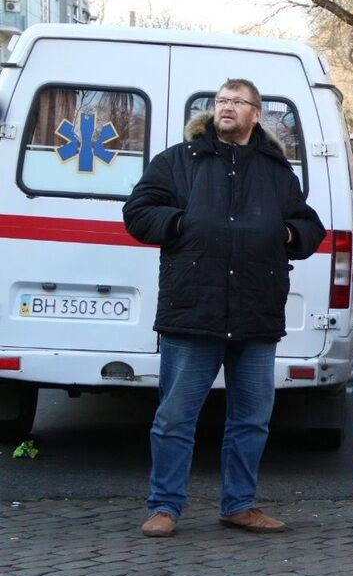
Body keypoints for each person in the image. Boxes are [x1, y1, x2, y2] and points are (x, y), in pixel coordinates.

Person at [123, 78, 326, 537]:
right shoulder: (180, 160)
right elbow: (137, 212)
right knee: (176, 417)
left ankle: (239, 504)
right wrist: (179, 222)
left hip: (256, 312)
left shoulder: (276, 170)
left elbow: (308, 224)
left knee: (251, 418)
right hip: (194, 309)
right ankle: (165, 507)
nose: (226, 107)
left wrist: (288, 235)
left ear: (257, 113)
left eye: (237, 101)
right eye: (221, 101)